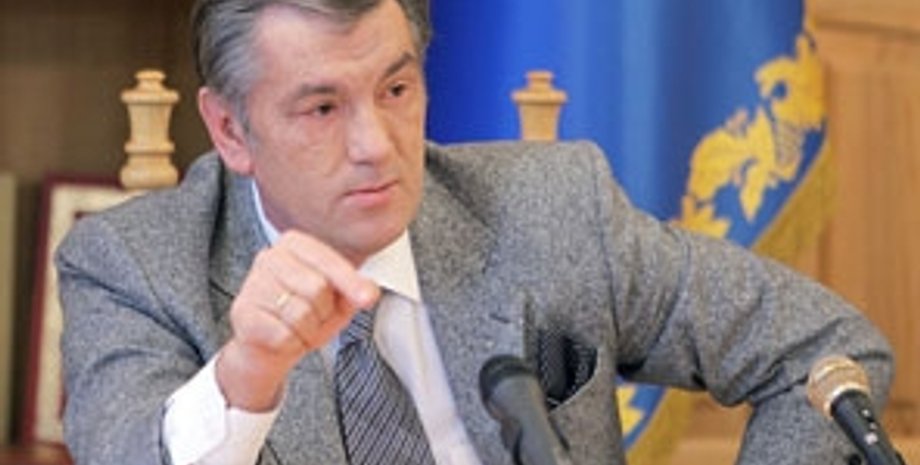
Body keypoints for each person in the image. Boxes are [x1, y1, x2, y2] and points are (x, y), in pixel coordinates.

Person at [55, 0, 894, 464]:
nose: (375, 145)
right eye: (321, 108)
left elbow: (822, 350)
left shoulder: (551, 209)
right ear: (230, 130)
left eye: (395, 90)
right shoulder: (135, 265)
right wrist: (248, 375)